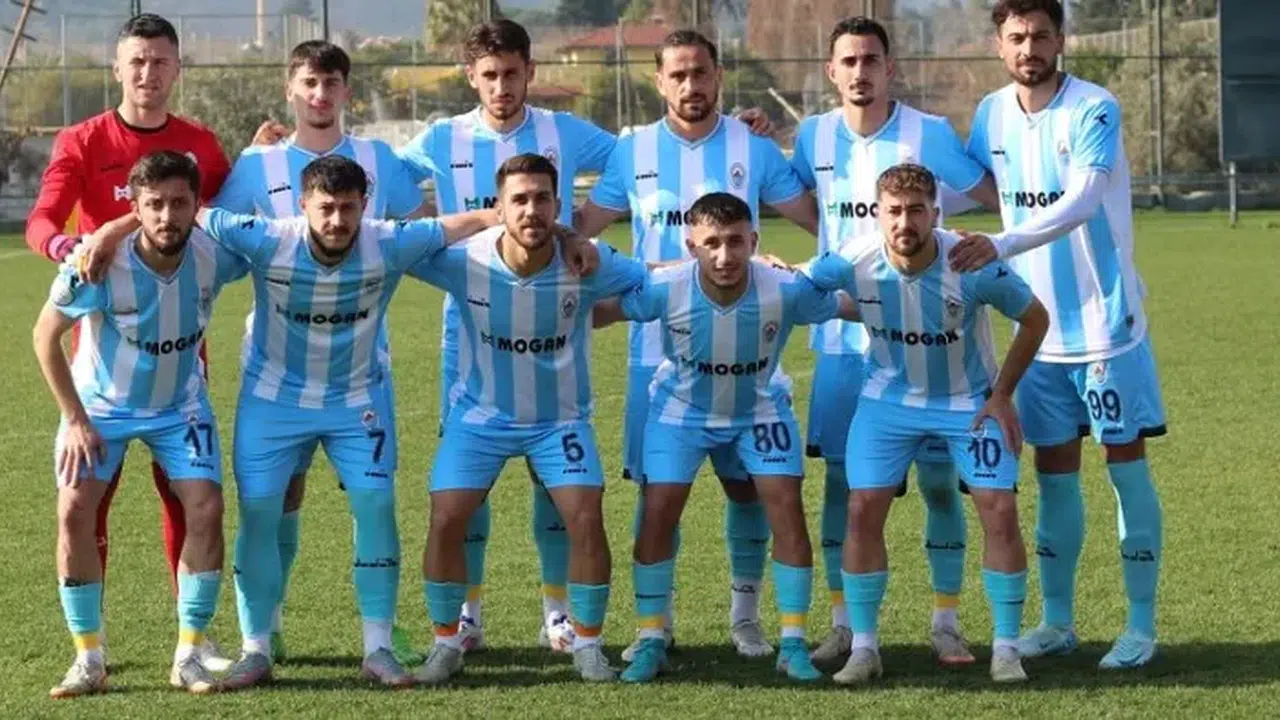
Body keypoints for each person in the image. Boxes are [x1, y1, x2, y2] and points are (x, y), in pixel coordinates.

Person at [395, 18, 776, 653]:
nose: (501, 86)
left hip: (553, 316)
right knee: (466, 485)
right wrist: (285, 145)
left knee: (553, 480)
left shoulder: (567, 132)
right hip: (469, 331)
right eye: (489, 75)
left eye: (511, 73)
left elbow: (647, 148)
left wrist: (735, 128)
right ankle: (467, 614)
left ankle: (558, 613)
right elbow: (376, 172)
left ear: (530, 72)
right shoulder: (441, 137)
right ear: (470, 77)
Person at [193, 156, 499, 690]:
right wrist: (108, 234)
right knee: (260, 513)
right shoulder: (267, 238)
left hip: (357, 401)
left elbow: (455, 225)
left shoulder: (389, 241)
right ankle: (255, 649)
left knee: (376, 506)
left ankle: (378, 648)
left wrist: (512, 218)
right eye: (326, 208)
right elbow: (197, 214)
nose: (337, 220)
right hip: (273, 400)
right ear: (303, 206)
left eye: (348, 208)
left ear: (365, 206)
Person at [575, 28, 820, 660]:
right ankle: (655, 626)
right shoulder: (632, 152)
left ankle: (746, 618)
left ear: (719, 76)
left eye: (701, 72)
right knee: (658, 492)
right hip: (653, 355)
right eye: (678, 74)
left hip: (743, 354)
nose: (691, 85)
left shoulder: (753, 146)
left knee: (748, 489)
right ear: (659, 81)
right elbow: (582, 230)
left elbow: (821, 219)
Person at [951, 0, 1167, 669]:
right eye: (1016, 37)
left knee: (1125, 471)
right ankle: (1058, 622)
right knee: (1054, 478)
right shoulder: (991, 113)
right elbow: (973, 187)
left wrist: (1002, 241)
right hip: (1037, 335)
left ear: (1061, 39)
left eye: (1041, 35)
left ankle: (1140, 627)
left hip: (1105, 328)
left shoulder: (1093, 107)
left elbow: (1083, 198)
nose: (1029, 48)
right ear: (999, 45)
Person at [789, 15, 1002, 666]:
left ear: (890, 68)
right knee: (843, 487)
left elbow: (991, 195)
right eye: (848, 61)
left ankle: (946, 622)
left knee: (938, 484)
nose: (860, 72)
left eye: (871, 60)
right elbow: (803, 205)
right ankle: (844, 626)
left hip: (923, 345)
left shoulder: (927, 134)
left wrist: (963, 244)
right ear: (831, 71)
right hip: (843, 343)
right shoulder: (812, 135)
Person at [24, 13, 234, 671]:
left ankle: (193, 640)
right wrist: (76, 250)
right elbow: (41, 221)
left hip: (181, 353)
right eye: (136, 61)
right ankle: (90, 649)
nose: (148, 73)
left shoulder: (201, 145)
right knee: (87, 502)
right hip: (105, 343)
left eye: (160, 61)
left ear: (178, 69)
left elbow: (228, 215)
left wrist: (263, 156)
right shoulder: (84, 140)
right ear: (117, 68)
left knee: (189, 498)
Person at [212, 39, 424, 666]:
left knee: (372, 499)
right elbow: (215, 243)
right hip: (276, 370)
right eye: (309, 82)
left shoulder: (379, 159)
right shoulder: (259, 163)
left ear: (346, 91)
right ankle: (267, 625)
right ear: (291, 89)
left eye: (332, 83)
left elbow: (423, 232)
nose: (320, 94)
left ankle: (381, 635)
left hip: (359, 368)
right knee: (279, 497)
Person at [592, 192, 858, 683]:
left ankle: (791, 643)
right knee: (658, 510)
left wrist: (909, 302)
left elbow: (848, 304)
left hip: (760, 411)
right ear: (691, 246)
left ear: (753, 242)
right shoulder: (665, 287)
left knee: (787, 510)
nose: (724, 255)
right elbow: (602, 311)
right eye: (711, 243)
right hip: (681, 412)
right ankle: (651, 637)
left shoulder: (785, 288)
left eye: (735, 242)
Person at [804, 163, 1049, 684]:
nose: (904, 222)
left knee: (1000, 509)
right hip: (887, 401)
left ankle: (1006, 649)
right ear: (877, 213)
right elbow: (798, 288)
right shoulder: (852, 257)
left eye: (916, 210)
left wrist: (1003, 394)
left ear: (936, 213)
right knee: (861, 508)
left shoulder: (971, 261)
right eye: (894, 211)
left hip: (968, 403)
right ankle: (864, 649)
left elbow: (1035, 318)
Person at [407, 153, 646, 685]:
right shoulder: (464, 260)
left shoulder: (587, 261)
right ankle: (446, 643)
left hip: (559, 421)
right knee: (446, 517)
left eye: (542, 199)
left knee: (585, 514)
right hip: (480, 418)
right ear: (500, 206)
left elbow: (650, 281)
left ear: (558, 206)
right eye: (518, 199)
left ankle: (588, 644)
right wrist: (476, 221)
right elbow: (400, 245)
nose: (531, 209)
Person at [33, 151, 246, 698]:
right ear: (135, 206)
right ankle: (88, 658)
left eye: (179, 203)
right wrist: (75, 419)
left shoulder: (216, 255)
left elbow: (276, 241)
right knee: (74, 508)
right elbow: (44, 336)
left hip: (180, 408)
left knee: (207, 508)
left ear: (197, 205)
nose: (167, 216)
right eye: (154, 205)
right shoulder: (98, 262)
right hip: (101, 409)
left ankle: (189, 654)